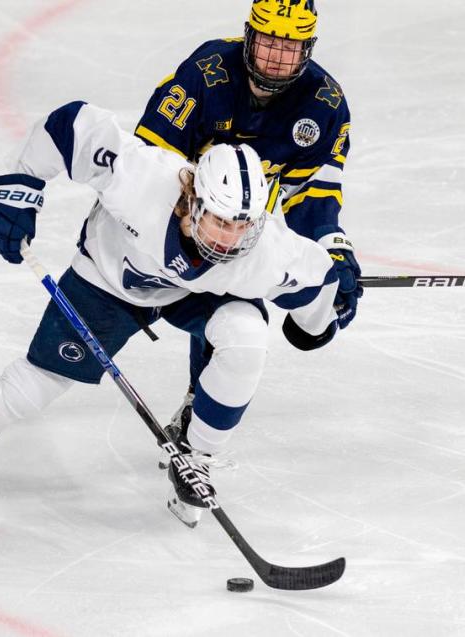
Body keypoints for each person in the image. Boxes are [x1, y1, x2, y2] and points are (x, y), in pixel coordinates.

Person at [0, 101, 340, 528]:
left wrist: (328, 315)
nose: (229, 239)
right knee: (32, 387)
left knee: (247, 335)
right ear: (191, 198)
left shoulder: (261, 254)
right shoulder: (140, 178)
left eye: (243, 225)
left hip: (191, 293)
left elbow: (318, 286)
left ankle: (197, 455)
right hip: (107, 281)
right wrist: (17, 190)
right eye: (219, 220)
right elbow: (67, 127)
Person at [134, 0, 361, 447]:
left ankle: (198, 409)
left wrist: (331, 248)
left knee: (234, 317)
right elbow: (146, 165)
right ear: (249, 36)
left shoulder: (324, 105)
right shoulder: (205, 75)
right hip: (171, 223)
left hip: (241, 231)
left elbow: (313, 194)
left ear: (309, 47)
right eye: (269, 42)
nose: (277, 57)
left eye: (291, 46)